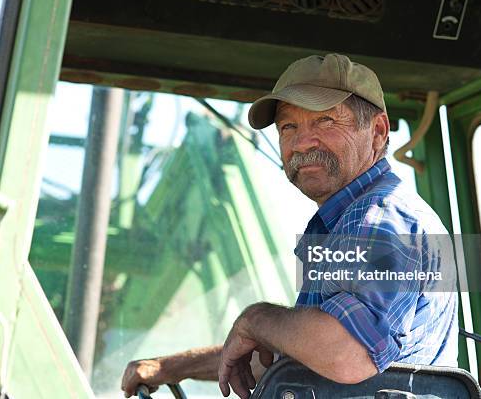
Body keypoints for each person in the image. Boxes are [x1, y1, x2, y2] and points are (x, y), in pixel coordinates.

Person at [121, 53, 458, 398]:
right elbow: (294, 358)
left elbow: (349, 355)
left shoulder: (378, 218)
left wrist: (256, 319)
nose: (301, 142)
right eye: (288, 127)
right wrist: (172, 368)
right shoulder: (343, 223)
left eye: (326, 121)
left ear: (377, 132)